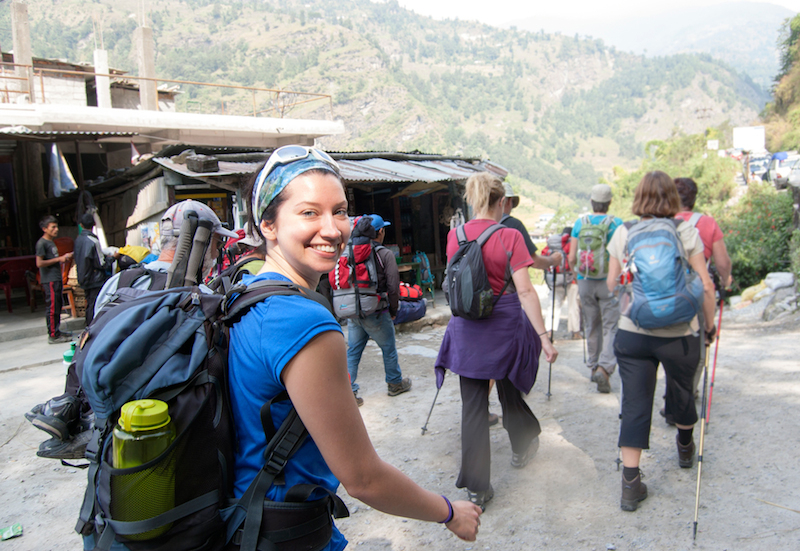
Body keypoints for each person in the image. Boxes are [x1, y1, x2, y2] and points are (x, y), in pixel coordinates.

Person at [228, 144, 481, 550]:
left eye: (340, 211)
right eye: (309, 212)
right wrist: (448, 512)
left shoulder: (245, 293)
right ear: (269, 225)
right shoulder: (302, 322)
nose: (331, 229)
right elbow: (363, 478)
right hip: (283, 531)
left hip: (241, 517)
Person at [26, 200, 237, 460]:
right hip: (163, 433)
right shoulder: (201, 299)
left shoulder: (120, 281)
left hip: (104, 427)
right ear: (199, 243)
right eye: (216, 244)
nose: (216, 254)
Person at [434, 172, 558, 510]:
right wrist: (544, 338)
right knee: (508, 389)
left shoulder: (453, 236)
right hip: (504, 326)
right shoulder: (509, 236)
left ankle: (477, 488)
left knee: (472, 406)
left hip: (467, 328)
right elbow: (526, 290)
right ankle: (522, 445)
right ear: (501, 201)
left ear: (473, 200)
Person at [606, 171, 716, 512]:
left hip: (633, 333)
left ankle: (630, 485)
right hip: (681, 332)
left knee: (635, 403)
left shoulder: (624, 232)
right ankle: (685, 447)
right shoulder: (685, 231)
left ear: (638, 198)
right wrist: (709, 327)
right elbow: (706, 284)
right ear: (672, 198)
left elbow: (611, 285)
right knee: (682, 392)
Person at [663, 177, 733, 417]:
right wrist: (726, 280)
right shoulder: (707, 223)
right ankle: (684, 399)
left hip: (667, 293)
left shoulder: (661, 223)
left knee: (671, 345)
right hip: (697, 292)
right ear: (694, 199)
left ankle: (671, 394)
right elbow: (722, 263)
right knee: (701, 346)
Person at [345, 214, 411, 406]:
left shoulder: (350, 252)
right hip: (376, 311)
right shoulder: (385, 254)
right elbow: (393, 287)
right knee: (388, 349)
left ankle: (349, 392)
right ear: (380, 231)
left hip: (354, 311)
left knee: (353, 352)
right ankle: (394, 383)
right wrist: (393, 309)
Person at [568, 184, 623, 393]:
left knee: (591, 324)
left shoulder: (580, 223)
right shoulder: (616, 224)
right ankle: (605, 367)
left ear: (592, 202)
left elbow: (572, 257)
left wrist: (576, 276)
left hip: (585, 280)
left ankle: (593, 366)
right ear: (609, 203)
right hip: (608, 281)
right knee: (611, 326)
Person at [500, 182, 562, 271]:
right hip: (506, 283)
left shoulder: (475, 223)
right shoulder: (514, 225)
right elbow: (534, 261)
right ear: (509, 201)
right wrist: (552, 260)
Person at [73, 212, 118, 326]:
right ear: (93, 225)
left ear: (81, 225)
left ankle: (89, 326)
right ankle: (92, 327)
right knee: (96, 304)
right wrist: (113, 258)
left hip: (83, 277)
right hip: (95, 279)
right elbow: (101, 263)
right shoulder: (93, 241)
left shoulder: (78, 240)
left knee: (89, 303)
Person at [35, 214, 73, 344]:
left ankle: (57, 331)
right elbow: (39, 263)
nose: (56, 229)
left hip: (56, 277)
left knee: (57, 306)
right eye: (53, 227)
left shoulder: (51, 242)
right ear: (45, 229)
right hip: (49, 279)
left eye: (56, 227)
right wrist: (59, 259)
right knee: (52, 307)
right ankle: (52, 335)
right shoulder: (42, 243)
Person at [541, 227, 580, 338]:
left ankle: (549, 330)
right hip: (571, 278)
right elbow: (573, 259)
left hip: (555, 279)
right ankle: (575, 332)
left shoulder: (553, 243)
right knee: (573, 305)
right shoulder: (572, 243)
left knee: (553, 305)